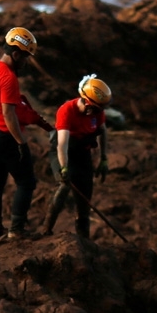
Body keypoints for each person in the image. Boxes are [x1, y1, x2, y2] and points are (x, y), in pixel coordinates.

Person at [0, 27, 53, 245]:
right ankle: (17, 229)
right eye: (26, 57)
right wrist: (21, 142)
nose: (27, 62)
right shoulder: (8, 77)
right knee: (26, 182)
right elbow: (8, 113)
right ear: (16, 53)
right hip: (4, 135)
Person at [42, 74, 112, 238]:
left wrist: (104, 158)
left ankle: (83, 237)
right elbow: (62, 144)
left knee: (85, 193)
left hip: (82, 152)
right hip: (63, 151)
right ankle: (46, 229)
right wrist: (64, 168)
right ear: (87, 103)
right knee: (64, 185)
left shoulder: (97, 112)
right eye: (96, 109)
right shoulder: (67, 110)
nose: (99, 113)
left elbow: (102, 132)